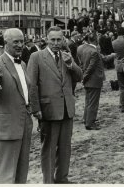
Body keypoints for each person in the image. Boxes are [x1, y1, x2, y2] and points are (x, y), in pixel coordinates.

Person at [27, 26, 82, 184]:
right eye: (53, 40)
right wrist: (36, 109)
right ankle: (48, 181)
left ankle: (62, 178)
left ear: (63, 40)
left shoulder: (66, 56)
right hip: (48, 110)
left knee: (65, 148)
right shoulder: (36, 57)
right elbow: (32, 85)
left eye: (59, 40)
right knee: (49, 150)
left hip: (67, 109)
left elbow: (80, 76)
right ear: (46, 39)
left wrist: (71, 64)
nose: (56, 43)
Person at [0, 28, 32, 183]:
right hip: (6, 127)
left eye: (22, 41)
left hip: (24, 125)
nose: (20, 45)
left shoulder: (23, 64)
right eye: (15, 42)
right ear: (5, 43)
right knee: (5, 175)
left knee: (21, 173)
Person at [77, 33, 115, 130]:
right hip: (94, 80)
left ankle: (86, 118)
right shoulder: (94, 51)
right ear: (96, 40)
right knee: (93, 102)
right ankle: (90, 123)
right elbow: (91, 67)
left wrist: (83, 76)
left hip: (88, 80)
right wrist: (84, 77)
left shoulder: (84, 49)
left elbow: (82, 64)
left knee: (88, 100)